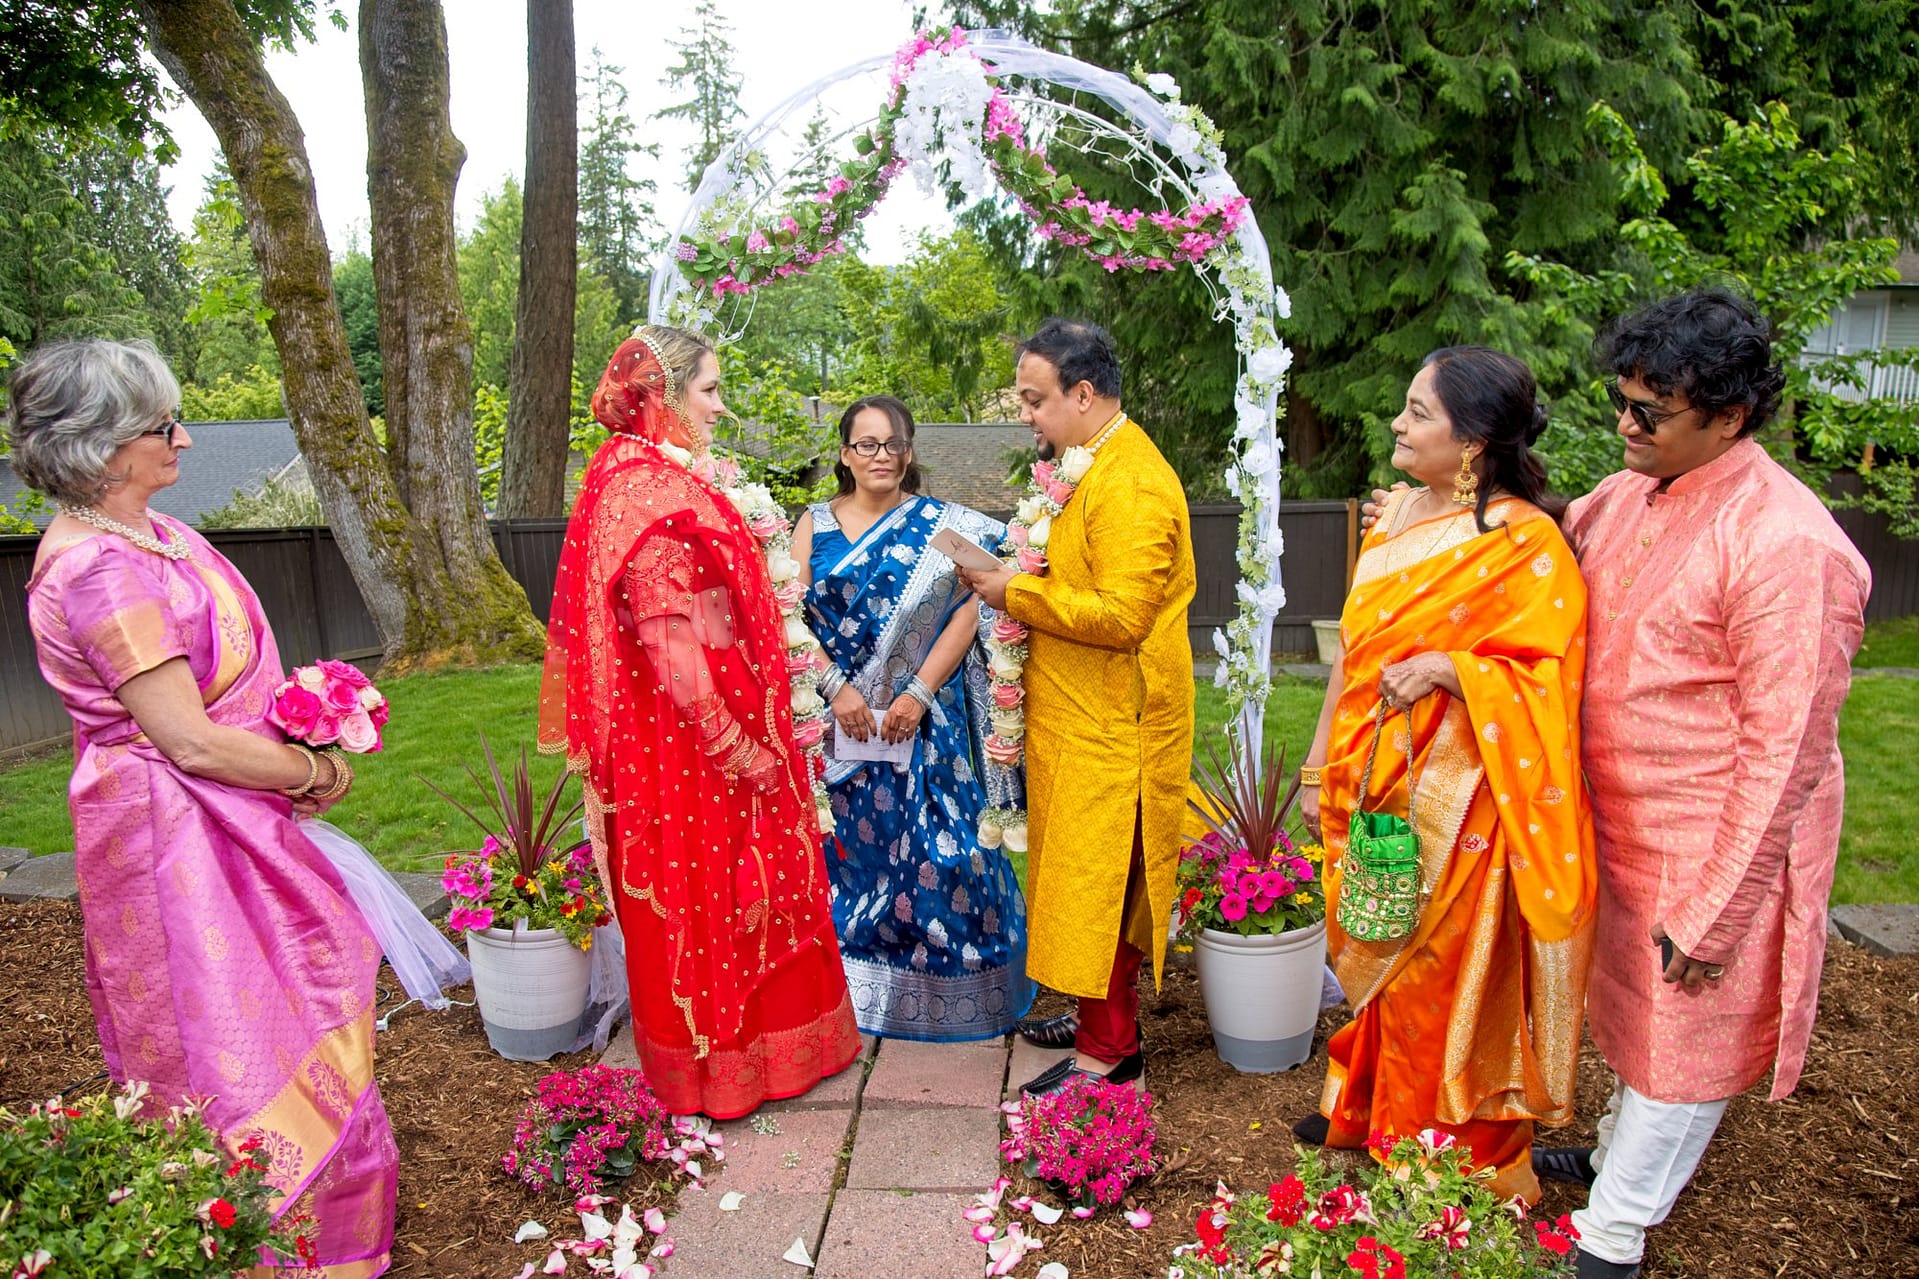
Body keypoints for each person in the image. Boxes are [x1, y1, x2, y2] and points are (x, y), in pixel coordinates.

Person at [14, 339, 398, 1275]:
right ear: (101, 447)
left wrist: (307, 725)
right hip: (175, 835)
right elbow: (185, 739)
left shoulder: (152, 533)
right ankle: (269, 1244)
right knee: (226, 1036)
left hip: (223, 807)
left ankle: (330, 1229)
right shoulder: (97, 570)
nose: (184, 438)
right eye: (161, 427)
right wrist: (309, 773)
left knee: (296, 1002)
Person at [1542, 290, 1870, 1279]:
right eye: (1621, 401)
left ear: (1728, 418)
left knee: (1684, 1030)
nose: (1622, 426)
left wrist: (1720, 911)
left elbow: (1783, 748)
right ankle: (1608, 1156)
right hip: (1625, 824)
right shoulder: (1625, 493)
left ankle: (1612, 1237)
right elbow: (1541, 557)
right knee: (1636, 1014)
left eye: (1650, 412)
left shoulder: (1786, 544)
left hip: (1714, 839)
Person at [1296, 346, 1597, 1204]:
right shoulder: (1393, 519)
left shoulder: (1524, 544)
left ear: (1470, 443)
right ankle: (1368, 1103)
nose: (1397, 421)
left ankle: (1444, 1152)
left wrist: (1450, 667)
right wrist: (1322, 762)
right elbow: (1355, 654)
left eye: (1417, 411)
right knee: (1376, 936)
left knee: (1433, 967)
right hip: (1371, 769)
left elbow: (1547, 676)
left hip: (1464, 794)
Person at [539, 325, 862, 1119]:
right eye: (709, 389)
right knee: (710, 896)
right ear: (661, 394)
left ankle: (782, 1048)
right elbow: (665, 630)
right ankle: (721, 1070)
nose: (720, 405)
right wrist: (733, 740)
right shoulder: (638, 489)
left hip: (731, 714)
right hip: (686, 741)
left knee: (757, 889)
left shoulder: (666, 475)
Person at [954, 318, 1195, 1096]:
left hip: (1113, 724)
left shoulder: (1131, 481)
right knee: (1078, 886)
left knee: (1097, 888)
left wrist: (1010, 589)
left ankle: (1108, 1054)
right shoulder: (1091, 464)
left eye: (1034, 398)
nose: (1026, 413)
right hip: (1075, 715)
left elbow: (1124, 616)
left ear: (1082, 394)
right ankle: (1098, 1017)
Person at [790, 394, 1036, 1041]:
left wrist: (920, 691)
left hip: (924, 727)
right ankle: (845, 984)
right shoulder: (810, 524)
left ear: (909, 450)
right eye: (866, 444)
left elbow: (973, 604)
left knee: (947, 854)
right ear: (844, 454)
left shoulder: (942, 526)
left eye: (893, 443)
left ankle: (953, 983)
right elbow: (785, 615)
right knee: (840, 856)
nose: (881, 456)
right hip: (836, 728)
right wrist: (836, 684)